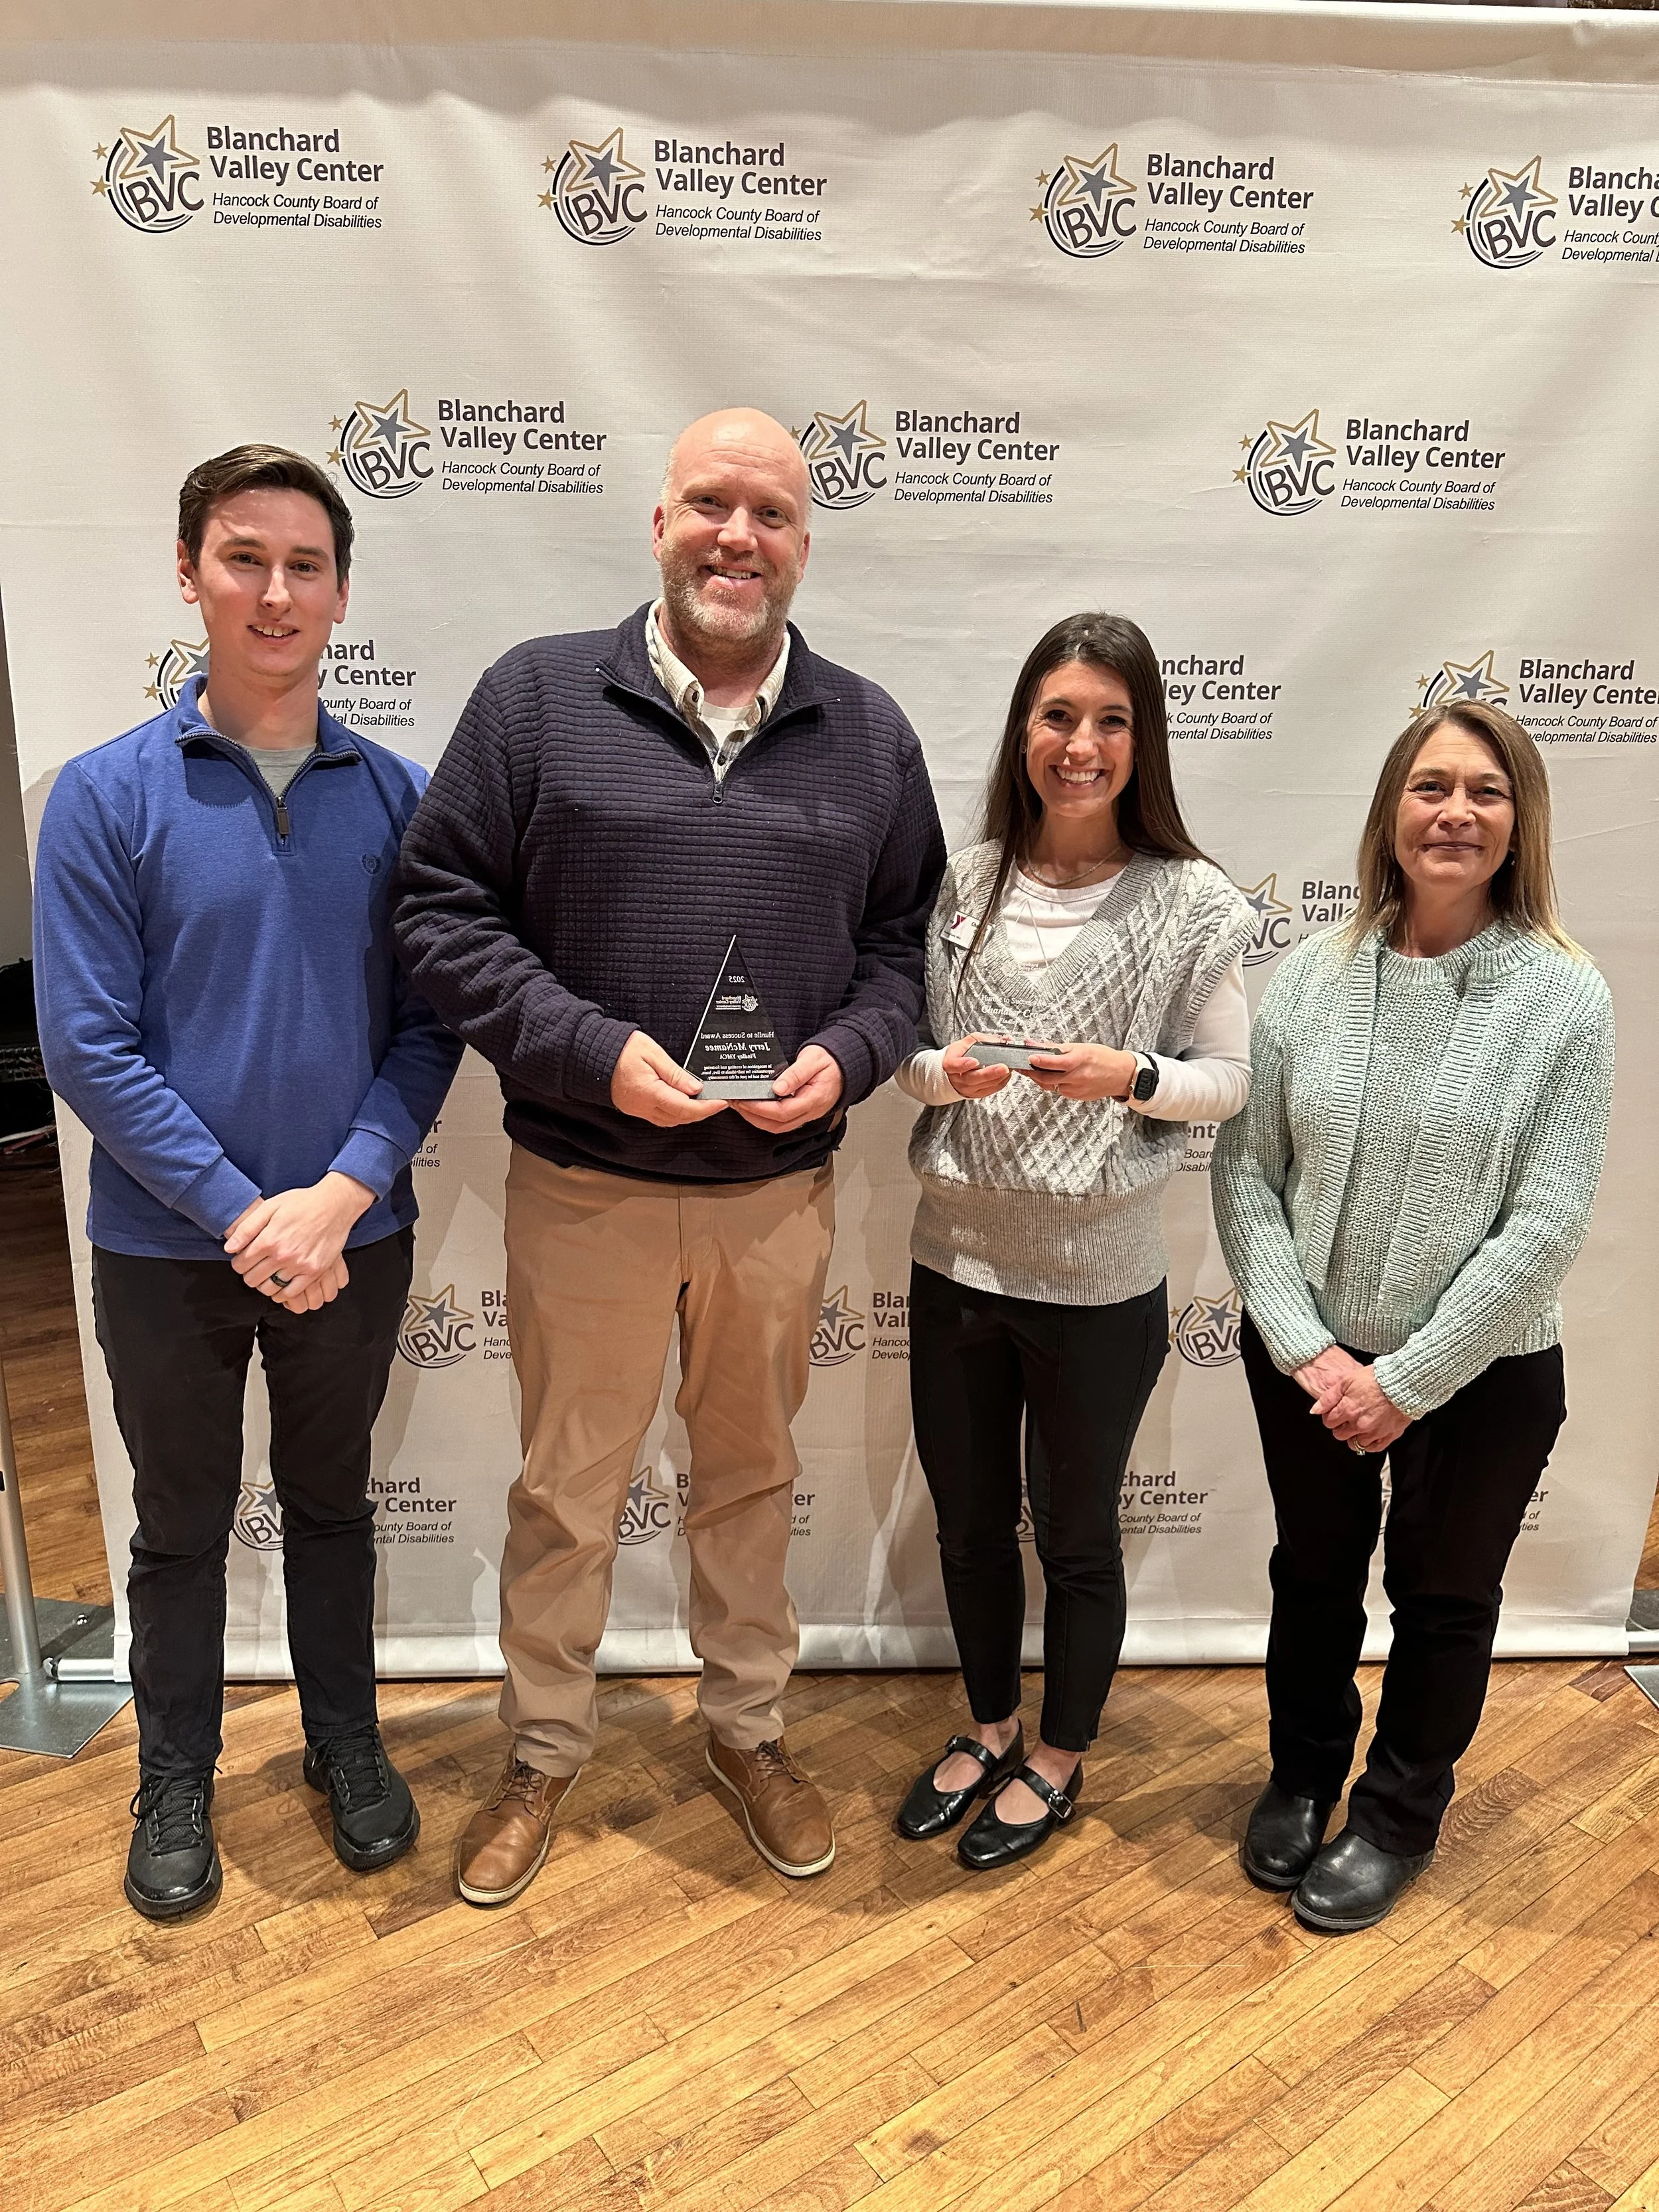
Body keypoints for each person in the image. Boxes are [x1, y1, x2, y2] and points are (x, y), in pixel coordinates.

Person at [392, 406, 945, 1905]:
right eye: (711, 502)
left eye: (770, 514)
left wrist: (849, 1049)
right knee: (569, 1489)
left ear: (803, 548)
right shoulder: (534, 700)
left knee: (750, 1478)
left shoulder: (871, 734)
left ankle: (747, 1729)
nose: (737, 537)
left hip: (774, 1196)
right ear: (657, 522)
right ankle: (541, 1747)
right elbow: (438, 915)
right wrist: (584, 1050)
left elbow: (902, 952)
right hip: (585, 1191)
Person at [33, 445, 463, 1921]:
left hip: (355, 1239)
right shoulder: (101, 798)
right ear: (188, 572)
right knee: (176, 1526)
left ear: (340, 590)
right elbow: (86, 1047)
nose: (274, 591)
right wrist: (239, 1212)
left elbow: (430, 1028)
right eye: (243, 557)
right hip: (167, 1251)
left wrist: (335, 1197)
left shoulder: (402, 797)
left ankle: (343, 1743)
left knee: (333, 1507)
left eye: (303, 564)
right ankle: (176, 1775)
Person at [1212, 700, 1613, 1933]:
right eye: (1432, 787)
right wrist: (1313, 1352)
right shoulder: (1308, 983)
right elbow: (1245, 1178)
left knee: (1445, 1600)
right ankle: (1302, 1773)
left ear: (1518, 822)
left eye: (1486, 792)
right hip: (1309, 1357)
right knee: (1315, 1581)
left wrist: (1410, 1377)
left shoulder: (1565, 999)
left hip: (1486, 1369)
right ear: (1391, 813)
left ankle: (1396, 1813)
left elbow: (1545, 1224)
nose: (1456, 812)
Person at [893, 613, 1253, 1870]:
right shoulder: (970, 879)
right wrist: (943, 1077)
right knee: (971, 1522)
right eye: (1058, 717)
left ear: (1143, 739)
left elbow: (1226, 1083)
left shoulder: (1194, 903)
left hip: (1099, 1283)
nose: (1082, 744)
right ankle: (990, 1723)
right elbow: (914, 1061)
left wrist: (1133, 1075)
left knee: (1079, 1530)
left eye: (1110, 719)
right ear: (1024, 732)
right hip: (954, 1264)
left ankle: (1059, 1754)